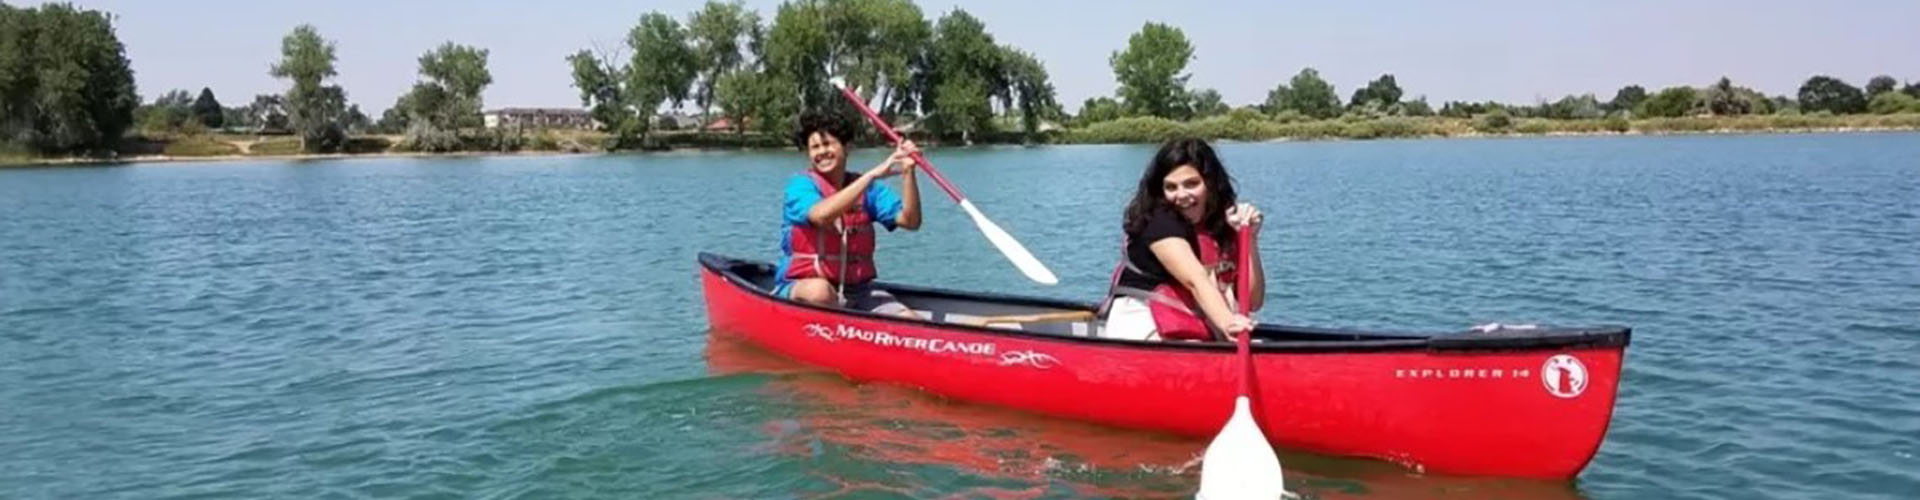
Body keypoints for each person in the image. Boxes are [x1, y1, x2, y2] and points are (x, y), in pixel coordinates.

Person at [1099, 138, 1266, 341]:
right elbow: (1195, 280)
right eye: (1171, 187)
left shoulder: (1222, 224)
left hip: (1196, 322)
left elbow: (1252, 301)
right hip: (1142, 323)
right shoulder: (1158, 221)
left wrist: (1248, 239)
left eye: (1191, 184)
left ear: (1211, 183)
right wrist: (1228, 324)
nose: (1181, 195)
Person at [772, 111, 923, 317]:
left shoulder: (869, 190)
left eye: (828, 144)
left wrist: (908, 173)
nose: (822, 152)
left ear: (847, 147)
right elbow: (821, 216)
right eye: (815, 147)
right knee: (820, 292)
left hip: (858, 290)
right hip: (805, 288)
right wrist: (871, 175)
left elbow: (910, 221)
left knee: (910, 320)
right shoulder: (799, 186)